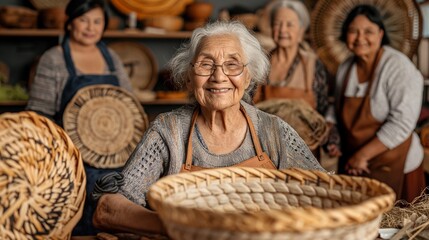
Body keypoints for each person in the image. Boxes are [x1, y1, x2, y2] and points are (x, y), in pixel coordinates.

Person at [91, 21, 325, 236]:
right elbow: (107, 210)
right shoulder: (168, 131)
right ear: (190, 77)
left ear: (248, 76)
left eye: (232, 65)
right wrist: (183, 227)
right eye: (206, 64)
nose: (218, 76)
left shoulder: (274, 132)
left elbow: (326, 197)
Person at [26, 0, 132, 235]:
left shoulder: (111, 57)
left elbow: (128, 102)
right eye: (83, 20)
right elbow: (38, 114)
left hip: (116, 152)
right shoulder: (54, 59)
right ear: (70, 22)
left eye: (97, 21)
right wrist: (65, 149)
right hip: (72, 157)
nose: (90, 27)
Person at [327, 4, 426, 202]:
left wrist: (363, 155)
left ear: (381, 34)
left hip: (395, 164)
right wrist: (331, 128)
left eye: (368, 31)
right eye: (353, 31)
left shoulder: (398, 67)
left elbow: (403, 123)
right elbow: (335, 104)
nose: (360, 38)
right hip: (354, 165)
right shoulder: (346, 67)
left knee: (395, 226)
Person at [252, 0, 335, 159]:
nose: (282, 30)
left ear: (301, 31)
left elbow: (323, 111)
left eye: (289, 25)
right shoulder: (262, 62)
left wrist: (330, 141)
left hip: (304, 152)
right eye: (277, 24)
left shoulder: (313, 65)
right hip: (267, 150)